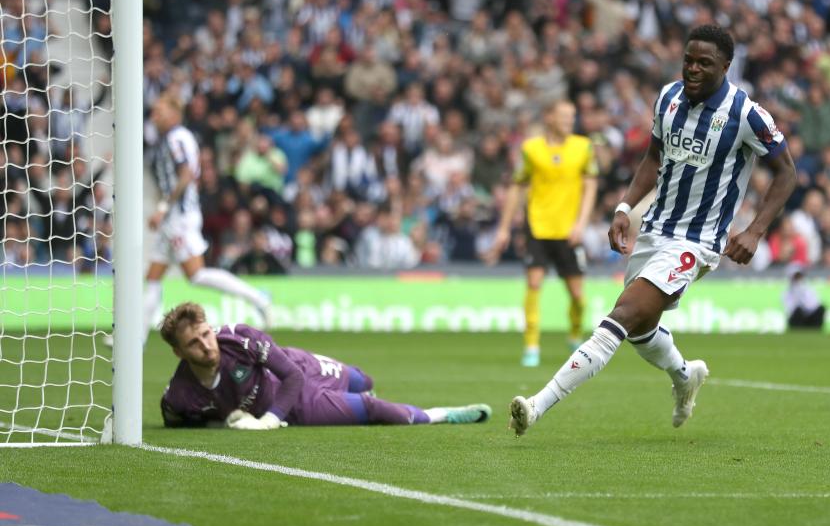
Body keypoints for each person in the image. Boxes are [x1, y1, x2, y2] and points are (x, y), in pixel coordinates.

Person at [508, 25, 797, 436]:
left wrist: (755, 230)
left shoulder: (747, 115)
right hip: (655, 229)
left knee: (622, 315)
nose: (693, 69)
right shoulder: (668, 97)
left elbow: (787, 173)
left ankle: (537, 405)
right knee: (641, 330)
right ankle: (684, 376)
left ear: (727, 67)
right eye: (688, 60)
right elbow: (654, 156)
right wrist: (625, 206)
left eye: (705, 64)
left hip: (697, 242)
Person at [159, 302, 491, 428]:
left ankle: (350, 387)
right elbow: (179, 420)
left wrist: (267, 422)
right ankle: (441, 414)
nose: (206, 345)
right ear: (179, 353)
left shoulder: (240, 339)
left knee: (363, 379)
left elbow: (291, 374)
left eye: (206, 334)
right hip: (298, 404)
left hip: (297, 368)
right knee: (369, 406)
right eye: (194, 343)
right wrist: (220, 422)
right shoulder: (180, 396)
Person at [142, 93, 273, 343]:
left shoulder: (177, 137)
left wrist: (162, 207)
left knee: (197, 275)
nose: (154, 117)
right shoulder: (172, 138)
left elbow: (186, 173)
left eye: (159, 111)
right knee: (153, 278)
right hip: (173, 219)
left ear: (173, 114)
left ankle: (259, 298)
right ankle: (134, 339)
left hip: (179, 218)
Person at [491, 100, 599, 367]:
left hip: (568, 230)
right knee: (534, 284)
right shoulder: (531, 148)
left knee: (577, 295)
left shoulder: (583, 147)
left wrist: (581, 224)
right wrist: (504, 228)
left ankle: (575, 334)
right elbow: (517, 187)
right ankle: (531, 346)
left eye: (572, 116)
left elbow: (590, 186)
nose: (569, 120)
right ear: (549, 117)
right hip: (537, 226)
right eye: (564, 115)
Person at [783, 262, 826, 329]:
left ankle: (815, 329)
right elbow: (790, 310)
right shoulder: (787, 292)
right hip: (797, 318)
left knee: (821, 308)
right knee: (798, 311)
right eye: (796, 276)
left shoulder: (809, 289)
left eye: (799, 276)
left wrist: (806, 309)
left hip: (809, 316)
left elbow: (815, 305)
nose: (798, 279)